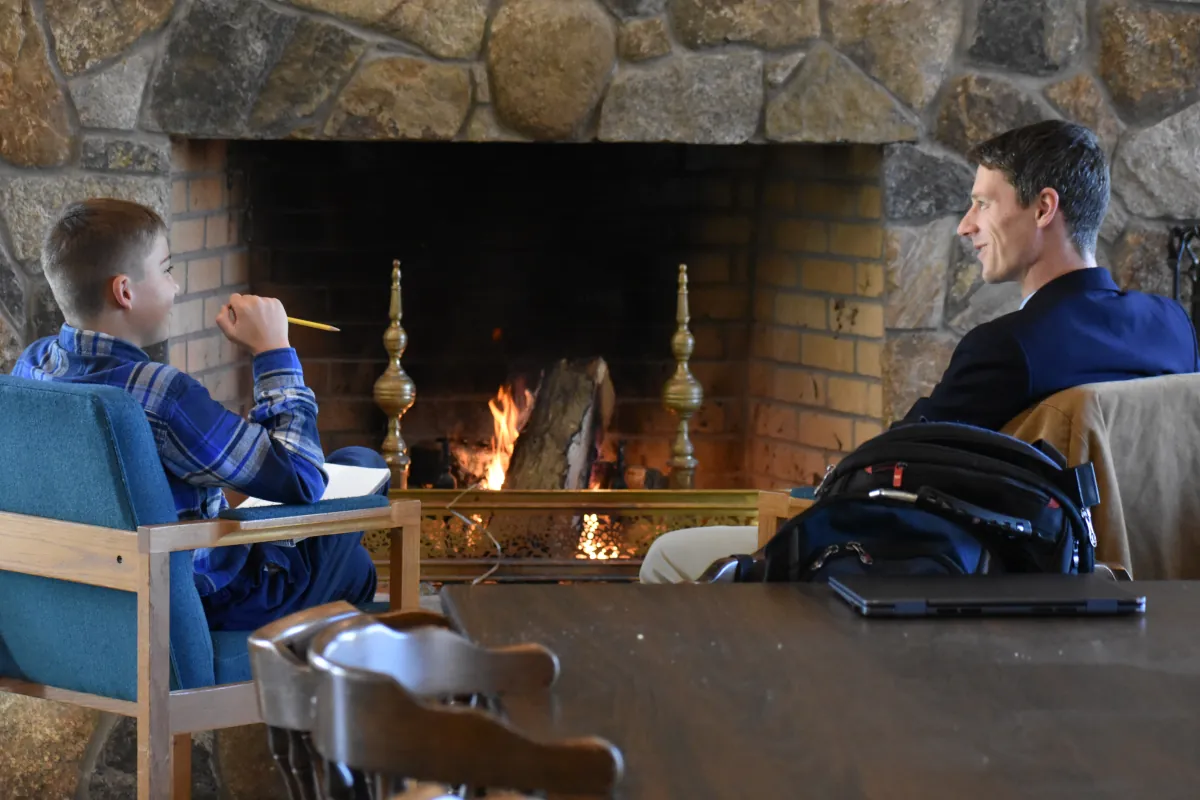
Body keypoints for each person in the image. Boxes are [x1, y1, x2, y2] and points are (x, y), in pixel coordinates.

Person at [11, 198, 386, 631]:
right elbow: (303, 479)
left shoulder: (32, 366)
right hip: (208, 598)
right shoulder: (162, 396)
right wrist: (274, 351)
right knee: (364, 464)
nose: (176, 288)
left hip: (96, 592)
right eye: (167, 269)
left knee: (354, 567)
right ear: (125, 292)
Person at [899, 120, 1199, 430]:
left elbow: (901, 453)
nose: (965, 226)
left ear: (1043, 209)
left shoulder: (1005, 348)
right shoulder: (1173, 327)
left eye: (983, 204)